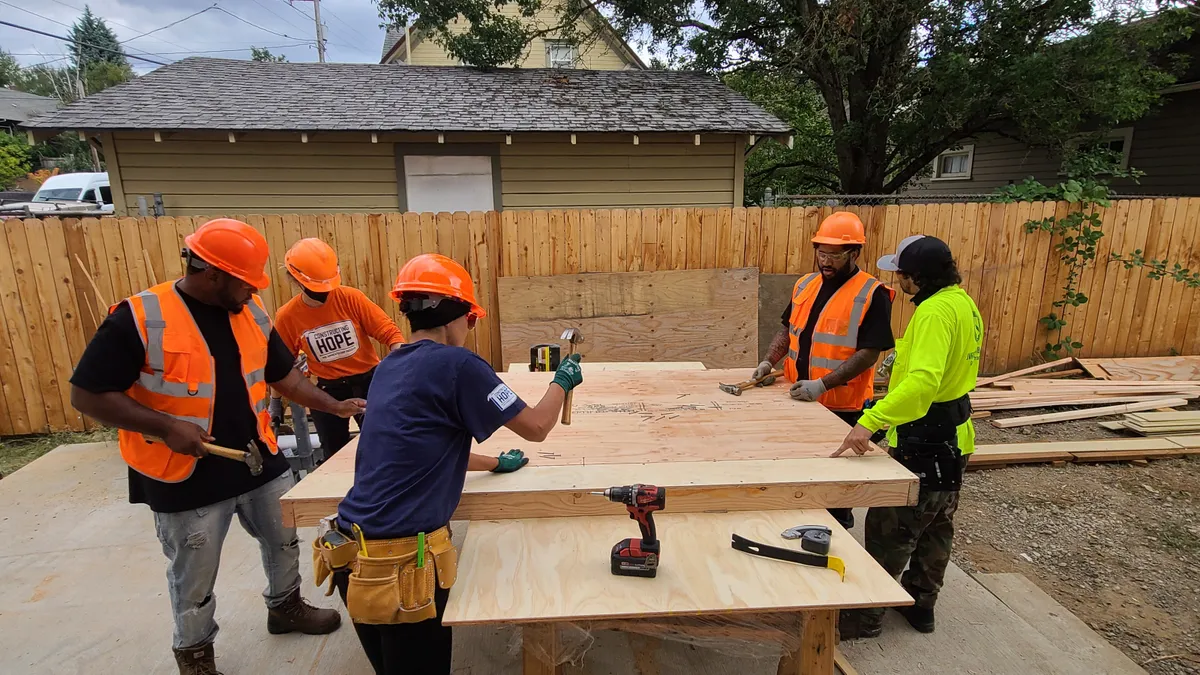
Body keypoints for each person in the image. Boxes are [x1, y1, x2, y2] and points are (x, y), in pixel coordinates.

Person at [70, 219, 367, 675]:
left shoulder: (250, 313)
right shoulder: (140, 316)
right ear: (213, 274)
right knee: (195, 569)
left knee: (283, 540)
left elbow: (282, 375)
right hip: (183, 469)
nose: (253, 292)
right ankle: (195, 655)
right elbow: (87, 394)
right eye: (246, 283)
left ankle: (284, 607)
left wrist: (335, 403)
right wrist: (166, 425)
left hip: (256, 455)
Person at [314, 253, 582, 675]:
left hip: (352, 555)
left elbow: (420, 448)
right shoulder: (459, 366)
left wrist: (494, 463)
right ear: (458, 315)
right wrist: (561, 381)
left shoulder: (387, 367)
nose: (470, 330)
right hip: (403, 566)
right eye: (472, 321)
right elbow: (536, 426)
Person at [832, 234, 984, 639]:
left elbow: (922, 383)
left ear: (916, 276)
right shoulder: (962, 303)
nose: (897, 280)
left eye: (900, 273)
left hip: (926, 440)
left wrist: (871, 421)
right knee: (936, 526)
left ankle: (864, 618)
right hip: (955, 437)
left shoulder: (934, 312)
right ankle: (921, 606)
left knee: (891, 532)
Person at [753, 211, 895, 529]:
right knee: (795, 475)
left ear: (854, 253)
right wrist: (768, 362)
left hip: (840, 407)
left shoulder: (873, 293)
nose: (826, 261)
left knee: (834, 488)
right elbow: (787, 330)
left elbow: (869, 353)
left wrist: (823, 384)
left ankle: (835, 532)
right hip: (797, 401)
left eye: (834, 255)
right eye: (822, 253)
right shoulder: (805, 284)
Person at [272, 238, 406, 459]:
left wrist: (399, 367)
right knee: (334, 455)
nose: (324, 292)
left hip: (369, 383)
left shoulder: (351, 298)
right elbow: (280, 366)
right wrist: (275, 404)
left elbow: (390, 334)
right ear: (296, 280)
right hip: (327, 392)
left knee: (384, 447)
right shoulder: (288, 316)